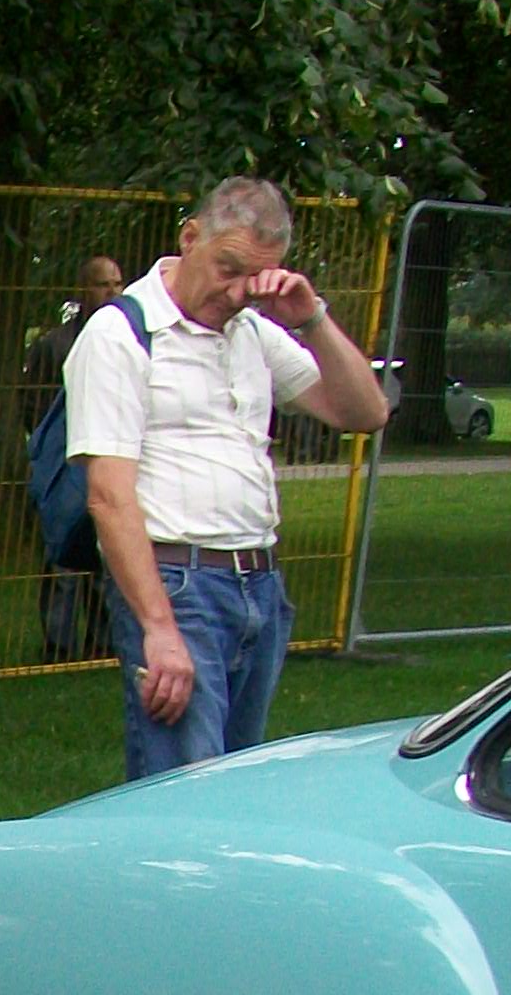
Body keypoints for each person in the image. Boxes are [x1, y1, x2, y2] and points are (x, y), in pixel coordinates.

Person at [63, 179, 387, 777]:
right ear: (191, 237)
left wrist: (310, 318)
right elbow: (109, 497)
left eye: (254, 278)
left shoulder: (252, 331)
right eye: (227, 267)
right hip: (177, 588)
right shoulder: (120, 334)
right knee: (184, 793)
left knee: (233, 791)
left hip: (258, 586)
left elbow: (365, 412)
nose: (237, 292)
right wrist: (159, 629)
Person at [22, 255, 125, 662]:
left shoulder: (127, 341)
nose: (112, 292)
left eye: (118, 283)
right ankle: (58, 645)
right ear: (83, 290)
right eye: (103, 284)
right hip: (65, 466)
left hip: (111, 462)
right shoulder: (55, 344)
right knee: (62, 557)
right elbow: (33, 403)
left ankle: (103, 643)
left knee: (106, 554)